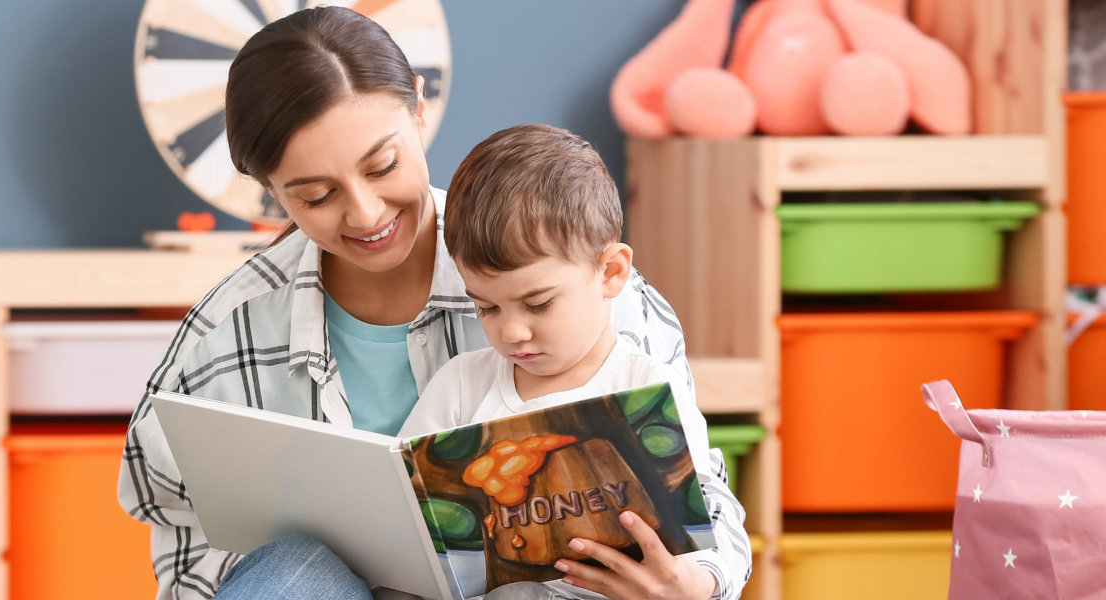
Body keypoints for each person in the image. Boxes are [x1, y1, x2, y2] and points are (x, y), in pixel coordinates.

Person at [116, 6, 746, 599]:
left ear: (419, 107)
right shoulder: (228, 332)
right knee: (293, 565)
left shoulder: (588, 288)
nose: (365, 213)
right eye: (314, 195)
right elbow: (180, 532)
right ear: (270, 191)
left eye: (383, 164)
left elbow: (707, 508)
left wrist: (694, 582)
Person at [396, 124, 749, 600]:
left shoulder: (645, 385)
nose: (512, 332)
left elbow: (705, 524)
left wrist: (694, 583)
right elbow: (403, 511)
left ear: (610, 272)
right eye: (487, 308)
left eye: (538, 304)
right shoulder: (461, 385)